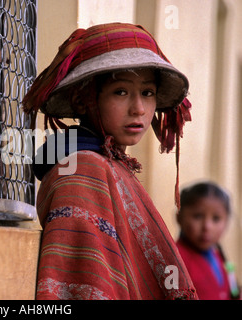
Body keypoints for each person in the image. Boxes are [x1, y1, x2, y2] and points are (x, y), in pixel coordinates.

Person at [22, 23, 198, 300]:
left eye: (147, 93)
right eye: (120, 91)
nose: (139, 108)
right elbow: (86, 286)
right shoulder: (82, 171)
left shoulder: (112, 163)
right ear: (82, 101)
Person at [176, 181, 241, 300]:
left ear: (226, 222)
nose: (207, 226)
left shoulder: (219, 256)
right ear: (179, 217)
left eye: (216, 219)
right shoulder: (176, 259)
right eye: (197, 216)